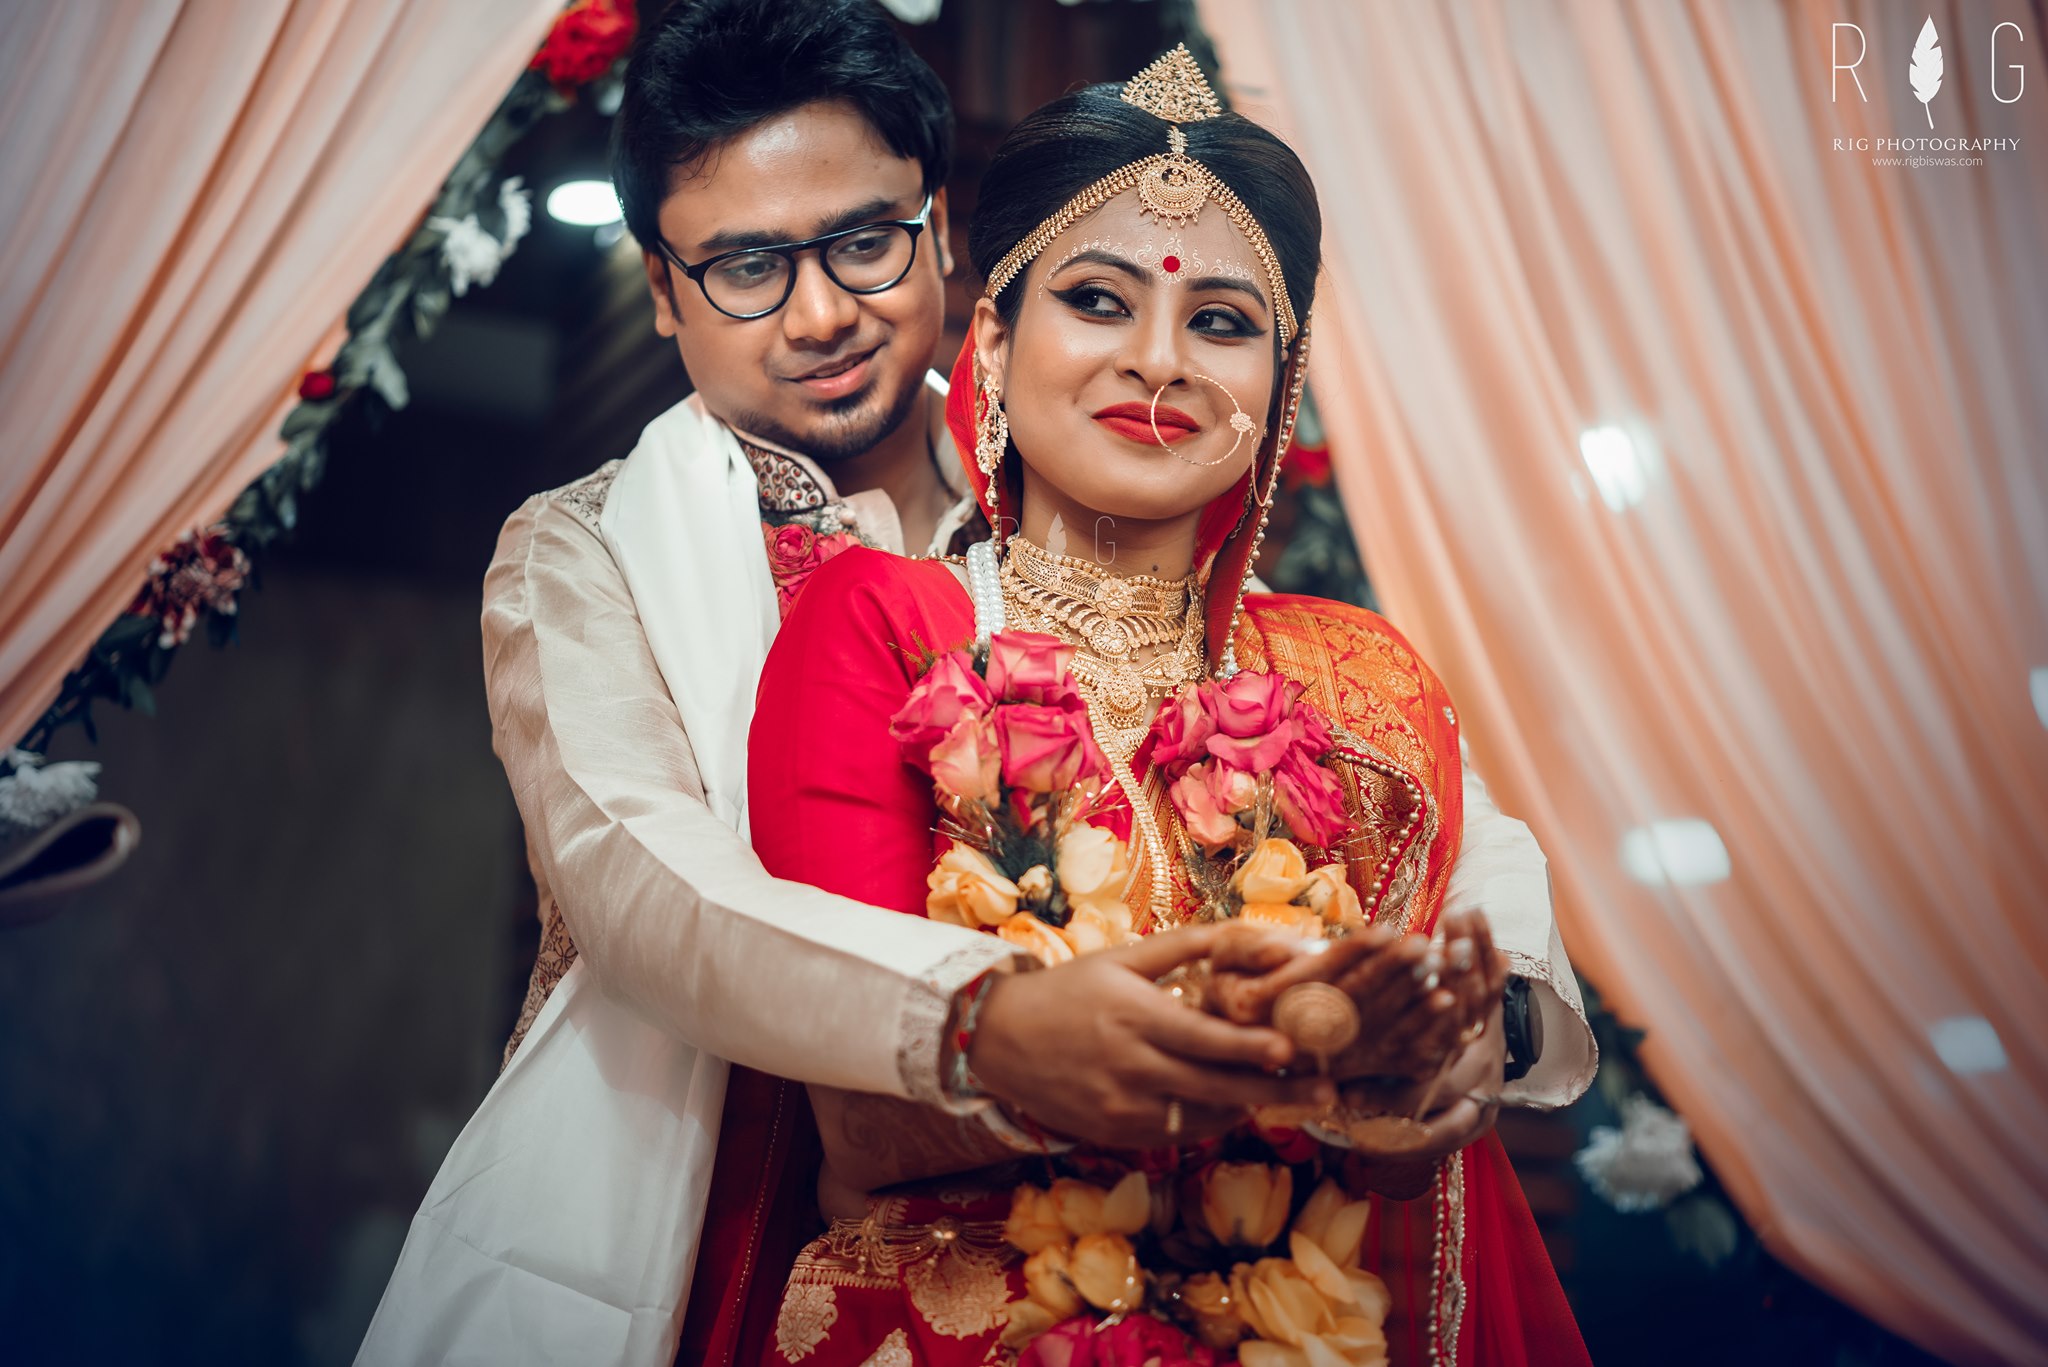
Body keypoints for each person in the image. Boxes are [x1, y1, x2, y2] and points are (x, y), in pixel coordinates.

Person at [357, 7, 1342, 1366]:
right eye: (747, 267)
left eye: (863, 243)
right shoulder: (581, 548)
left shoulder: (1079, 490)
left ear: (936, 227)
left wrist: (1501, 993)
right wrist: (979, 1018)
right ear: (661, 288)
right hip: (693, 1171)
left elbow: (1328, 706)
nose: (822, 313)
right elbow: (637, 872)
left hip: (1047, 1224)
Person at [735, 49, 1598, 1367]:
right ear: (992, 343)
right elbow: (860, 1111)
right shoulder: (880, 623)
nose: (1160, 361)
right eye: (1096, 299)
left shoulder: (1358, 679)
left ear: (1277, 389)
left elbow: (1453, 1053)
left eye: (1223, 323)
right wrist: (1285, 1067)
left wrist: (1414, 1087)